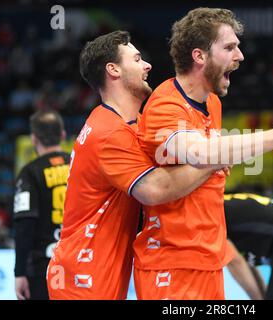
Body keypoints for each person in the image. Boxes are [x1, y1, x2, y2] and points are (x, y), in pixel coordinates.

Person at [134, 7, 273, 300]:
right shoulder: (166, 104)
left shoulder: (211, 103)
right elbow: (200, 154)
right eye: (229, 47)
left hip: (208, 262)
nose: (240, 56)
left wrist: (217, 160)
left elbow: (210, 161)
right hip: (172, 266)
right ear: (199, 56)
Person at [47, 31, 225, 300]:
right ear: (113, 70)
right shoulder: (109, 132)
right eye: (137, 59)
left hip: (97, 272)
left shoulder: (128, 124)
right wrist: (215, 159)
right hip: (82, 279)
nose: (148, 66)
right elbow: (155, 189)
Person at [14, 110, 70, 300]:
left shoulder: (30, 172)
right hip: (80, 262)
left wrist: (19, 271)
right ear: (62, 135)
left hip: (44, 267)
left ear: (34, 138)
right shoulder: (79, 164)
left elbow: (25, 225)